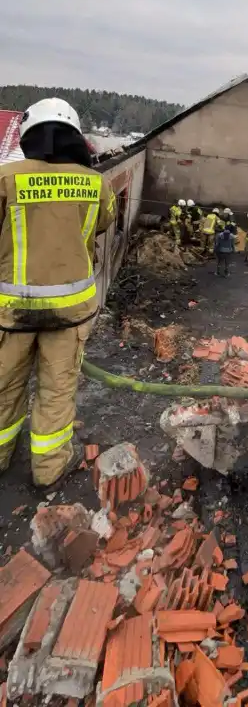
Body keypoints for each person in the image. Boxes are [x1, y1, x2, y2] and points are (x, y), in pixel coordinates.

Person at [0, 98, 116, 488]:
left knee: (4, 388)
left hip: (11, 314)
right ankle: (47, 471)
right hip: (69, 315)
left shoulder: (6, 178)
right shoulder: (95, 183)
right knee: (56, 392)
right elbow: (103, 223)